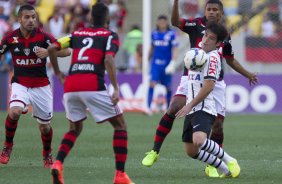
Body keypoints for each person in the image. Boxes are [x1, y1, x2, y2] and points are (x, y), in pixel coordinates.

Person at [142, 0, 257, 177]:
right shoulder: (195, 24)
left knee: (218, 126)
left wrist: (247, 74)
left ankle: (212, 164)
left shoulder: (224, 34)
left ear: (221, 13)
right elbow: (175, 22)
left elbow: (230, 59)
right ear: (205, 11)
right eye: (208, 9)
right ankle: (154, 151)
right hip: (191, 77)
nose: (211, 12)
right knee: (173, 107)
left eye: (215, 10)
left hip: (215, 82)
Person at [47, 3, 134, 184]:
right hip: (92, 84)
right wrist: (116, 88)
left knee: (74, 129)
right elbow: (109, 58)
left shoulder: (76, 34)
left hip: (71, 86)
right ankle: (120, 176)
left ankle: (57, 163)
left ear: (90, 19)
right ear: (108, 19)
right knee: (120, 126)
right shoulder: (110, 35)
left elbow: (51, 48)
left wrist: (57, 74)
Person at [0, 4, 71, 168]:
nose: (31, 20)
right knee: (15, 111)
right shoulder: (11, 38)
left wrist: (49, 52)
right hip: (20, 83)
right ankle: (7, 146)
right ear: (19, 19)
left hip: (41, 86)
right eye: (27, 17)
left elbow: (66, 52)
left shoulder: (44, 38)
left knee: (45, 128)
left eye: (33, 17)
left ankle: (47, 152)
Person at [175, 22, 240, 178]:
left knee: (199, 140)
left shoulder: (213, 58)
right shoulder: (198, 51)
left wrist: (189, 104)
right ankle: (225, 170)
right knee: (191, 151)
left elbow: (209, 86)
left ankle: (230, 160)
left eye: (211, 38)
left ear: (218, 44)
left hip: (203, 106)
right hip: (193, 108)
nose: (205, 40)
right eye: (205, 35)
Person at [147, 15, 178, 114]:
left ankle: (168, 108)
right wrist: (147, 59)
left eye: (163, 22)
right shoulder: (154, 34)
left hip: (166, 65)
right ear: (157, 23)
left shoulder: (171, 34)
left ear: (166, 23)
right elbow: (152, 47)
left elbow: (174, 48)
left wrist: (173, 61)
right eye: (160, 22)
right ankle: (148, 107)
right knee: (152, 83)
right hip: (155, 64)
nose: (161, 24)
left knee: (167, 86)